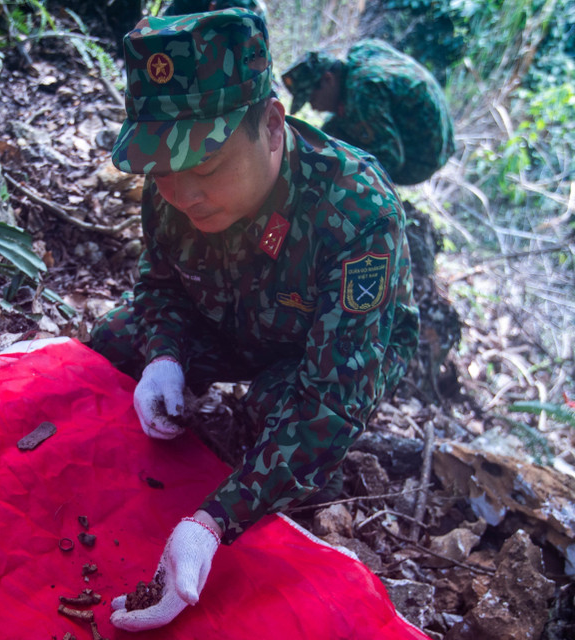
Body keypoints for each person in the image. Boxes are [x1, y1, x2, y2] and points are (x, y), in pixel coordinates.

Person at [87, 8, 420, 632]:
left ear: (270, 125)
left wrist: (212, 522)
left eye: (206, 168)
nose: (183, 194)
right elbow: (159, 286)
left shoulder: (357, 211)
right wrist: (164, 356)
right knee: (112, 342)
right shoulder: (172, 187)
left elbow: (333, 399)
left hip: (319, 348)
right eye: (163, 171)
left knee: (275, 413)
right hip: (226, 317)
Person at [281, 39, 456, 185]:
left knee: (335, 161)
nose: (313, 107)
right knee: (327, 136)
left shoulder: (362, 91)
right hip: (439, 138)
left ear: (328, 79)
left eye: (312, 98)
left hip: (422, 157)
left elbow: (389, 158)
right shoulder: (362, 52)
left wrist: (335, 180)